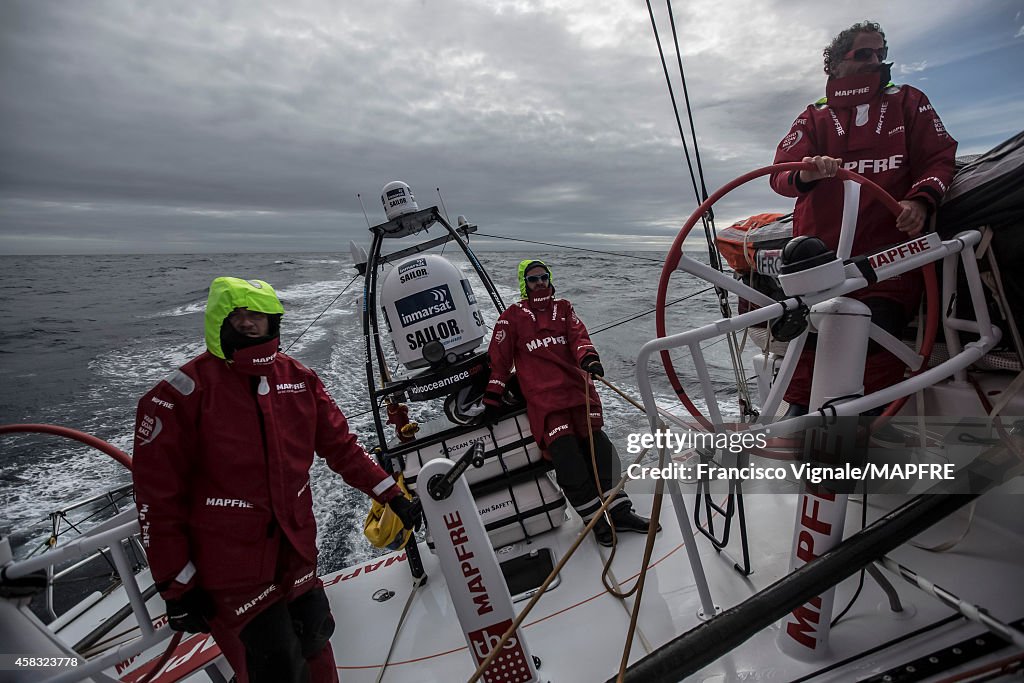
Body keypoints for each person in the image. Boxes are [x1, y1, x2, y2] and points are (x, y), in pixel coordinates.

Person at [132, 277, 420, 683]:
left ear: (274, 322)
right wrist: (176, 585)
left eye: (259, 316)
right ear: (218, 320)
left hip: (297, 551)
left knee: (317, 640)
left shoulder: (299, 380)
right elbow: (157, 502)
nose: (250, 324)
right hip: (232, 570)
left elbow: (342, 449)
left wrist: (392, 495)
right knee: (273, 665)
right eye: (239, 315)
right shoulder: (179, 397)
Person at [770, 20, 957, 428]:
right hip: (819, 261)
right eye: (864, 54)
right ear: (835, 65)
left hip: (888, 262)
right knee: (808, 345)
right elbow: (780, 176)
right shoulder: (814, 117)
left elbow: (939, 158)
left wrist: (920, 200)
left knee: (867, 338)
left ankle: (845, 450)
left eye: (879, 54)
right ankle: (802, 427)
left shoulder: (909, 102)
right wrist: (808, 172)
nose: (876, 61)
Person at [483, 260, 658, 546]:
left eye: (543, 277)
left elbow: (579, 337)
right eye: (532, 279)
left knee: (601, 451)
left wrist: (589, 358)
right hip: (547, 405)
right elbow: (499, 361)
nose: (539, 283)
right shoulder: (510, 318)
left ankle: (620, 512)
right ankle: (595, 521)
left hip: (579, 395)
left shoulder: (564, 308)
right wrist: (493, 396)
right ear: (523, 284)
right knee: (569, 461)